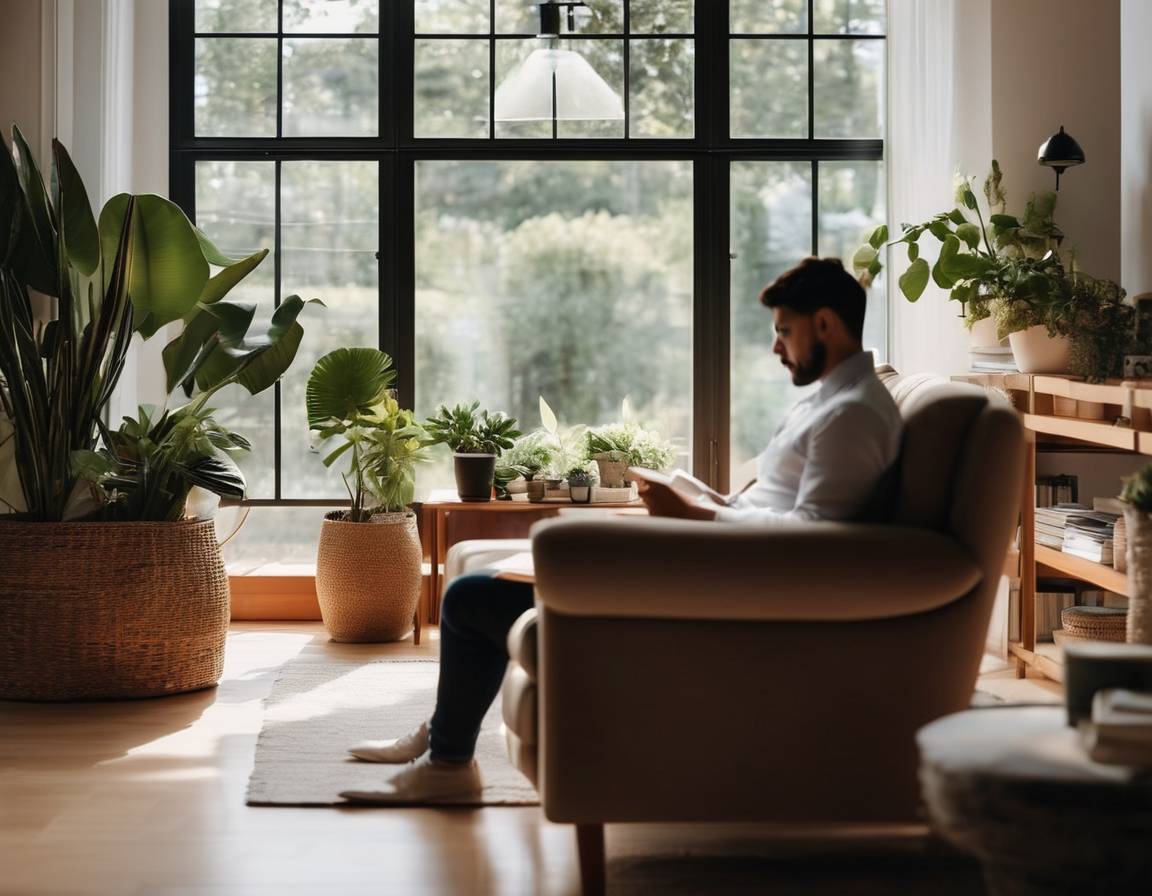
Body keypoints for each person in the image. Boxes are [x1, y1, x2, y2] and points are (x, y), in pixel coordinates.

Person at [339, 256, 903, 804]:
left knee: (466, 599)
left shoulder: (853, 414)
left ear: (825, 323)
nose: (776, 347)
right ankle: (441, 738)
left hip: (723, 585)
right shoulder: (831, 402)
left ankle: (446, 766)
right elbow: (778, 508)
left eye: (785, 331)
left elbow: (815, 538)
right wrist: (700, 496)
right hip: (716, 561)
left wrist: (701, 516)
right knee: (486, 575)